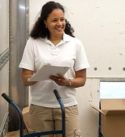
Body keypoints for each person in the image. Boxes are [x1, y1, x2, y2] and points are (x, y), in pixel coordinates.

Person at [19, 1, 89, 137]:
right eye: (54, 20)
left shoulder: (75, 44)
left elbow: (82, 80)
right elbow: (25, 79)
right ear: (45, 22)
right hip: (40, 108)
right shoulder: (33, 43)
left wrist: (67, 82)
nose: (60, 24)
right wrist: (40, 75)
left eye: (62, 19)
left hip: (67, 107)